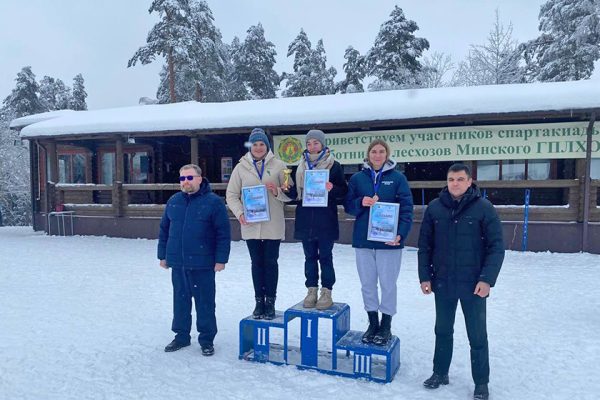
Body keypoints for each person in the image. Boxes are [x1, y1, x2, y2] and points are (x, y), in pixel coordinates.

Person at [418, 163, 504, 400]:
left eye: (459, 179)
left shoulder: (484, 208)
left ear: (469, 182)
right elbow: (425, 246)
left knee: (477, 336)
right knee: (442, 330)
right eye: (451, 179)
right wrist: (425, 276)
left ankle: (481, 383)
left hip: (473, 284)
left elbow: (496, 247)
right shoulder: (435, 208)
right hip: (443, 282)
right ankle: (440, 372)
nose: (455, 183)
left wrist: (487, 280)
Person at [344, 139, 413, 346]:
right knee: (367, 284)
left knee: (388, 284)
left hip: (389, 242)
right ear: (368, 154)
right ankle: (373, 323)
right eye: (374, 151)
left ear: (387, 154)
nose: (377, 155)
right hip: (364, 240)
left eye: (381, 151)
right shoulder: (357, 178)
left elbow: (406, 209)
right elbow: (348, 206)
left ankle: (386, 325)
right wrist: (360, 202)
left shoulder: (398, 178)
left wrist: (400, 234)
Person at [157, 164, 231, 356]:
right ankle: (181, 336)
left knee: (205, 303)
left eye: (189, 178)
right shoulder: (174, 201)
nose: (186, 182)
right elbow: (164, 230)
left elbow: (223, 233)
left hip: (203, 263)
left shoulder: (213, 202)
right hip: (179, 263)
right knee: (180, 301)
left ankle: (206, 340)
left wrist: (221, 259)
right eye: (182, 178)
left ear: (199, 179)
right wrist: (163, 255)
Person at [226, 128, 292, 320]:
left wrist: (277, 191)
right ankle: (258, 302)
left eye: (262, 144)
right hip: (251, 223)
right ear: (250, 146)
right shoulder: (240, 167)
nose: (258, 147)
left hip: (273, 223)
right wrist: (239, 213)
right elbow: (231, 195)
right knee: (256, 263)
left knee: (270, 263)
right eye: (255, 144)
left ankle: (270, 302)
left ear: (267, 146)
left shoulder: (280, 165)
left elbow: (290, 192)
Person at [286, 130, 348, 310]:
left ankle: (326, 291)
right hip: (306, 219)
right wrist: (286, 189)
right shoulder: (300, 167)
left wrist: (332, 188)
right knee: (309, 257)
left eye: (316, 143)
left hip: (325, 220)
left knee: (326, 257)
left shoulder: (334, 166)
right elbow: (296, 195)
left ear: (322, 144)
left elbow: (343, 192)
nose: (312, 146)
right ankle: (311, 290)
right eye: (309, 143)